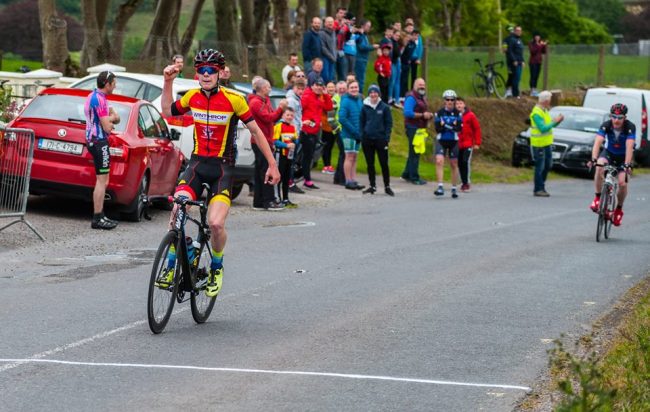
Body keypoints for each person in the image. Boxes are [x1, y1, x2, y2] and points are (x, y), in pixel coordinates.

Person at [160, 49, 281, 297]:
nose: (206, 75)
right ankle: (172, 265)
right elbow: (168, 111)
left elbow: (257, 133)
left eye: (211, 70)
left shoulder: (234, 100)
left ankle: (216, 266)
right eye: (202, 70)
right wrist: (168, 81)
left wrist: (272, 164)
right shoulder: (192, 96)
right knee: (178, 210)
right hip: (197, 165)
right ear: (196, 74)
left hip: (222, 168)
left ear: (218, 73)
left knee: (215, 224)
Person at [84, 71, 120, 230]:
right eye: (114, 83)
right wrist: (111, 119)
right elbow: (108, 126)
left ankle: (100, 214)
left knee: (104, 180)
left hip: (97, 141)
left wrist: (111, 118)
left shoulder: (98, 97)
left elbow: (115, 118)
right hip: (98, 141)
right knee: (101, 180)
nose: (115, 86)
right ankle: (97, 217)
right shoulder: (98, 99)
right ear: (107, 83)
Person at [588, 104, 635, 226]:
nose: (616, 120)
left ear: (625, 117)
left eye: (620, 117)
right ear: (610, 116)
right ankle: (598, 197)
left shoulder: (630, 127)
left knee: (622, 183)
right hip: (609, 153)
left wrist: (627, 164)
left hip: (623, 157)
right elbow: (598, 142)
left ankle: (618, 209)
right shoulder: (606, 125)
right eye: (614, 117)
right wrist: (593, 158)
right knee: (599, 166)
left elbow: (630, 146)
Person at [248, 77, 288, 210]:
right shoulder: (255, 103)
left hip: (265, 140)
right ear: (262, 89)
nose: (270, 89)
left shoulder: (265, 101)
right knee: (267, 170)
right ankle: (268, 200)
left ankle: (258, 201)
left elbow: (272, 117)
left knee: (261, 171)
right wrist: (281, 108)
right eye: (268, 87)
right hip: (260, 141)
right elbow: (269, 118)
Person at [528, 90, 564, 197]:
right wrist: (555, 121)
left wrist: (557, 121)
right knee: (540, 166)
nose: (550, 102)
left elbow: (549, 126)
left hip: (546, 143)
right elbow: (543, 128)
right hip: (539, 144)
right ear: (546, 101)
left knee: (548, 165)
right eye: (550, 100)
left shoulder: (544, 111)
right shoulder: (536, 113)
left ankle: (541, 186)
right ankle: (538, 189)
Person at [360, 84, 394, 196]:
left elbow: (389, 123)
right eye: (371, 92)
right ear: (369, 94)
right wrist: (362, 135)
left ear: (378, 94)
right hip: (368, 139)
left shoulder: (384, 107)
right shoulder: (365, 107)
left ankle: (387, 186)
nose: (373, 94)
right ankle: (372, 185)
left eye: (375, 92)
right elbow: (361, 122)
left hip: (380, 139)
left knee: (384, 163)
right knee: (370, 164)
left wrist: (386, 137)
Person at [300, 77, 333, 189]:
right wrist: (303, 122)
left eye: (321, 85)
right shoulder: (307, 95)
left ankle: (307, 180)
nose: (319, 87)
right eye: (317, 85)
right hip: (306, 131)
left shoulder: (319, 97)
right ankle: (305, 179)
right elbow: (299, 109)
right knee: (306, 156)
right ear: (312, 86)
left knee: (309, 157)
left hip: (315, 131)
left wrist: (326, 94)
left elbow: (329, 107)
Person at [401, 78, 432, 185]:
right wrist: (423, 115)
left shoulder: (421, 97)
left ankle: (406, 173)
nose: (422, 86)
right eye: (419, 84)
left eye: (423, 84)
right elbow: (407, 113)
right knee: (415, 152)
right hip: (413, 128)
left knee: (414, 152)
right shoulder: (411, 98)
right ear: (414, 86)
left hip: (419, 128)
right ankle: (414, 177)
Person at [433, 90, 463, 198]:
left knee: (454, 163)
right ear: (444, 101)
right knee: (439, 161)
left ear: (454, 101)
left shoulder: (458, 113)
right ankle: (440, 186)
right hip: (441, 140)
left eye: (452, 100)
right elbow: (438, 129)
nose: (449, 101)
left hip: (453, 141)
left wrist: (444, 124)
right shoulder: (439, 113)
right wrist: (450, 126)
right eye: (447, 99)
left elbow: (458, 129)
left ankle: (454, 188)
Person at [339, 80, 365, 190]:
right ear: (348, 89)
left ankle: (354, 180)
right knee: (349, 157)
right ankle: (348, 180)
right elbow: (342, 118)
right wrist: (354, 131)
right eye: (352, 88)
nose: (354, 89)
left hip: (358, 134)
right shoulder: (345, 101)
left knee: (355, 157)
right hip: (349, 134)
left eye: (356, 87)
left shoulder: (359, 100)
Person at [273, 107, 299, 208]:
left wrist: (294, 141)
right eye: (287, 115)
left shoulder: (292, 127)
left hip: (290, 155)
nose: (289, 117)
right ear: (283, 115)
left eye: (291, 115)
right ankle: (277, 198)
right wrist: (286, 145)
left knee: (286, 178)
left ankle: (286, 198)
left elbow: (295, 139)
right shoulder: (279, 126)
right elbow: (274, 140)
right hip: (281, 155)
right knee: (279, 177)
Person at [285, 79, 307, 194]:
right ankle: (289, 182)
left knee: (292, 159)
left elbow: (298, 117)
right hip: (292, 133)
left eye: (302, 89)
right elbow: (291, 118)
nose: (300, 91)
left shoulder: (297, 99)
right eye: (298, 88)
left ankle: (289, 181)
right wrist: (294, 133)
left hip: (296, 131)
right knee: (290, 160)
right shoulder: (292, 101)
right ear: (294, 88)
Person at [455, 97, 481, 193]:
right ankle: (462, 181)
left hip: (468, 144)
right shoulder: (454, 115)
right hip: (458, 144)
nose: (459, 105)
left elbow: (477, 129)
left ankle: (466, 183)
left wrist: (477, 143)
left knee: (465, 161)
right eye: (457, 103)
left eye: (460, 103)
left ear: (464, 105)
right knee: (460, 163)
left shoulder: (470, 116)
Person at [354, 19, 379, 93]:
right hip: (360, 60)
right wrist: (373, 47)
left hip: (363, 60)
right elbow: (362, 47)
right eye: (368, 26)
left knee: (362, 79)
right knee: (360, 79)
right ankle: (359, 95)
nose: (369, 28)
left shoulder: (364, 35)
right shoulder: (360, 36)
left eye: (370, 26)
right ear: (362, 26)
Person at [332, 81, 348, 185]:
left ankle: (338, 177)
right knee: (344, 154)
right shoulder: (334, 100)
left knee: (344, 154)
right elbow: (330, 117)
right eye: (340, 88)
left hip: (346, 130)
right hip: (339, 130)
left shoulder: (347, 98)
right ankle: (341, 178)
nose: (342, 90)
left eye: (343, 88)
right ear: (337, 89)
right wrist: (337, 129)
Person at [320, 81, 338, 174]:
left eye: (332, 87)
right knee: (325, 146)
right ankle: (326, 165)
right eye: (329, 87)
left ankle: (328, 165)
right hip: (324, 126)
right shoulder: (323, 97)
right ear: (326, 88)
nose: (331, 89)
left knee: (330, 147)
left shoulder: (337, 98)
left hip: (334, 127)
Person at [504, 25, 525, 98]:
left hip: (519, 62)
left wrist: (522, 61)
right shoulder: (511, 40)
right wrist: (514, 60)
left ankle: (514, 92)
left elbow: (520, 52)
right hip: (513, 62)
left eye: (520, 31)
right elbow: (509, 51)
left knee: (517, 77)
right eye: (517, 30)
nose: (519, 32)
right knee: (514, 77)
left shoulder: (519, 40)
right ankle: (514, 93)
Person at [399, 31, 416, 102]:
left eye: (409, 37)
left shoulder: (413, 44)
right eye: (407, 37)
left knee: (405, 80)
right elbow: (401, 54)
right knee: (401, 80)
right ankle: (400, 95)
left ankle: (404, 95)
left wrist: (410, 59)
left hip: (407, 64)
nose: (408, 38)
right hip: (402, 63)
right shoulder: (404, 44)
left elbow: (410, 54)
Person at [528, 33, 547, 97]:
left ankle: (535, 89)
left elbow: (544, 52)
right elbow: (533, 51)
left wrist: (544, 45)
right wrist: (539, 45)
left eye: (538, 36)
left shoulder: (540, 44)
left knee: (536, 76)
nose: (537, 38)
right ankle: (532, 89)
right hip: (533, 62)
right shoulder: (531, 43)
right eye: (536, 36)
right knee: (533, 76)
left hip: (539, 62)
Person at [319, 17, 337, 83]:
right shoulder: (321, 33)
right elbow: (323, 48)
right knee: (325, 77)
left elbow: (334, 46)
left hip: (332, 59)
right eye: (328, 22)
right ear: (325, 23)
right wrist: (331, 57)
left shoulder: (333, 32)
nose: (330, 23)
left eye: (331, 22)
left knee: (331, 78)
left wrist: (335, 56)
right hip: (325, 58)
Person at [388, 28, 402, 106]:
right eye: (396, 35)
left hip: (397, 62)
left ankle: (397, 99)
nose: (397, 37)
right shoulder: (391, 42)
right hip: (392, 63)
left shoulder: (396, 43)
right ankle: (390, 98)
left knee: (397, 81)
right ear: (393, 34)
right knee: (392, 81)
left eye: (398, 36)